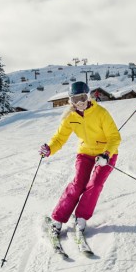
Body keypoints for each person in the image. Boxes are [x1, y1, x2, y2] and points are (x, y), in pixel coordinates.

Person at [39, 81, 121, 244]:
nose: (80, 102)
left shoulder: (101, 113)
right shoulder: (70, 116)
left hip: (106, 154)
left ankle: (81, 218)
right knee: (78, 184)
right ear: (70, 100)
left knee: (95, 184)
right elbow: (59, 138)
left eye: (83, 97)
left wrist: (106, 154)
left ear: (88, 96)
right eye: (75, 99)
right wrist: (50, 148)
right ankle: (57, 220)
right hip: (85, 152)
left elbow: (114, 137)